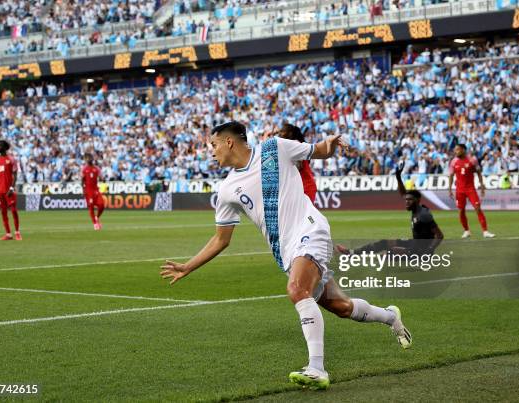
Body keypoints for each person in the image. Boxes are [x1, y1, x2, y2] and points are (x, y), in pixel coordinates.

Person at [160, 121, 412, 390]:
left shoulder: (274, 148)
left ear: (229, 142)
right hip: (287, 251)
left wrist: (331, 144)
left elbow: (318, 150)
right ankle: (390, 317)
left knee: (296, 288)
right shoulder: (226, 190)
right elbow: (222, 239)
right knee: (342, 307)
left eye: (213, 145)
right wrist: (188, 266)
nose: (211, 152)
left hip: (311, 228)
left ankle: (317, 368)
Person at [336, 161, 443, 256]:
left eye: (409, 200)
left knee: (388, 254)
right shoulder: (415, 210)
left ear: (417, 201)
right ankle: (352, 253)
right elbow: (403, 193)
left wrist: (429, 250)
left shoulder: (424, 214)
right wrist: (398, 177)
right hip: (415, 244)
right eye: (406, 200)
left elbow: (439, 235)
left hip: (421, 251)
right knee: (385, 242)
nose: (406, 202)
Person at [449, 144, 495, 238]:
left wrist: (482, 186)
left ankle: (485, 231)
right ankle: (466, 231)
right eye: (455, 150)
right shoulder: (454, 162)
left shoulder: (472, 160)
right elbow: (451, 175)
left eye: (457, 149)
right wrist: (449, 189)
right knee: (461, 210)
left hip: (470, 189)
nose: (455, 151)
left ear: (463, 150)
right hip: (459, 190)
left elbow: (478, 173)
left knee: (478, 208)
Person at [278, 123, 317, 203]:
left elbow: (299, 165)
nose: (279, 134)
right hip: (299, 187)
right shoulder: (289, 145)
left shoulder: (295, 144)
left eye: (282, 131)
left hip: (305, 186)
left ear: (290, 133)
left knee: (305, 215)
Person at [0, 140, 21, 241]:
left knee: (13, 210)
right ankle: (8, 234)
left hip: (9, 190)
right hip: (0, 191)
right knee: (3, 212)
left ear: (5, 147)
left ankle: (17, 232)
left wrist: (11, 188)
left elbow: (15, 175)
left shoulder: (11, 159)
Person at [81, 153, 105, 230]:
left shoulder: (96, 168)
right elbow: (82, 180)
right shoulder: (84, 169)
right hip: (88, 191)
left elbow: (101, 177)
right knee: (91, 207)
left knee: (102, 205)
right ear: (85, 160)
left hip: (96, 190)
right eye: (87, 158)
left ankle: (97, 217)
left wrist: (103, 179)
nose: (89, 159)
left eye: (90, 158)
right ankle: (95, 224)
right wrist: (83, 191)